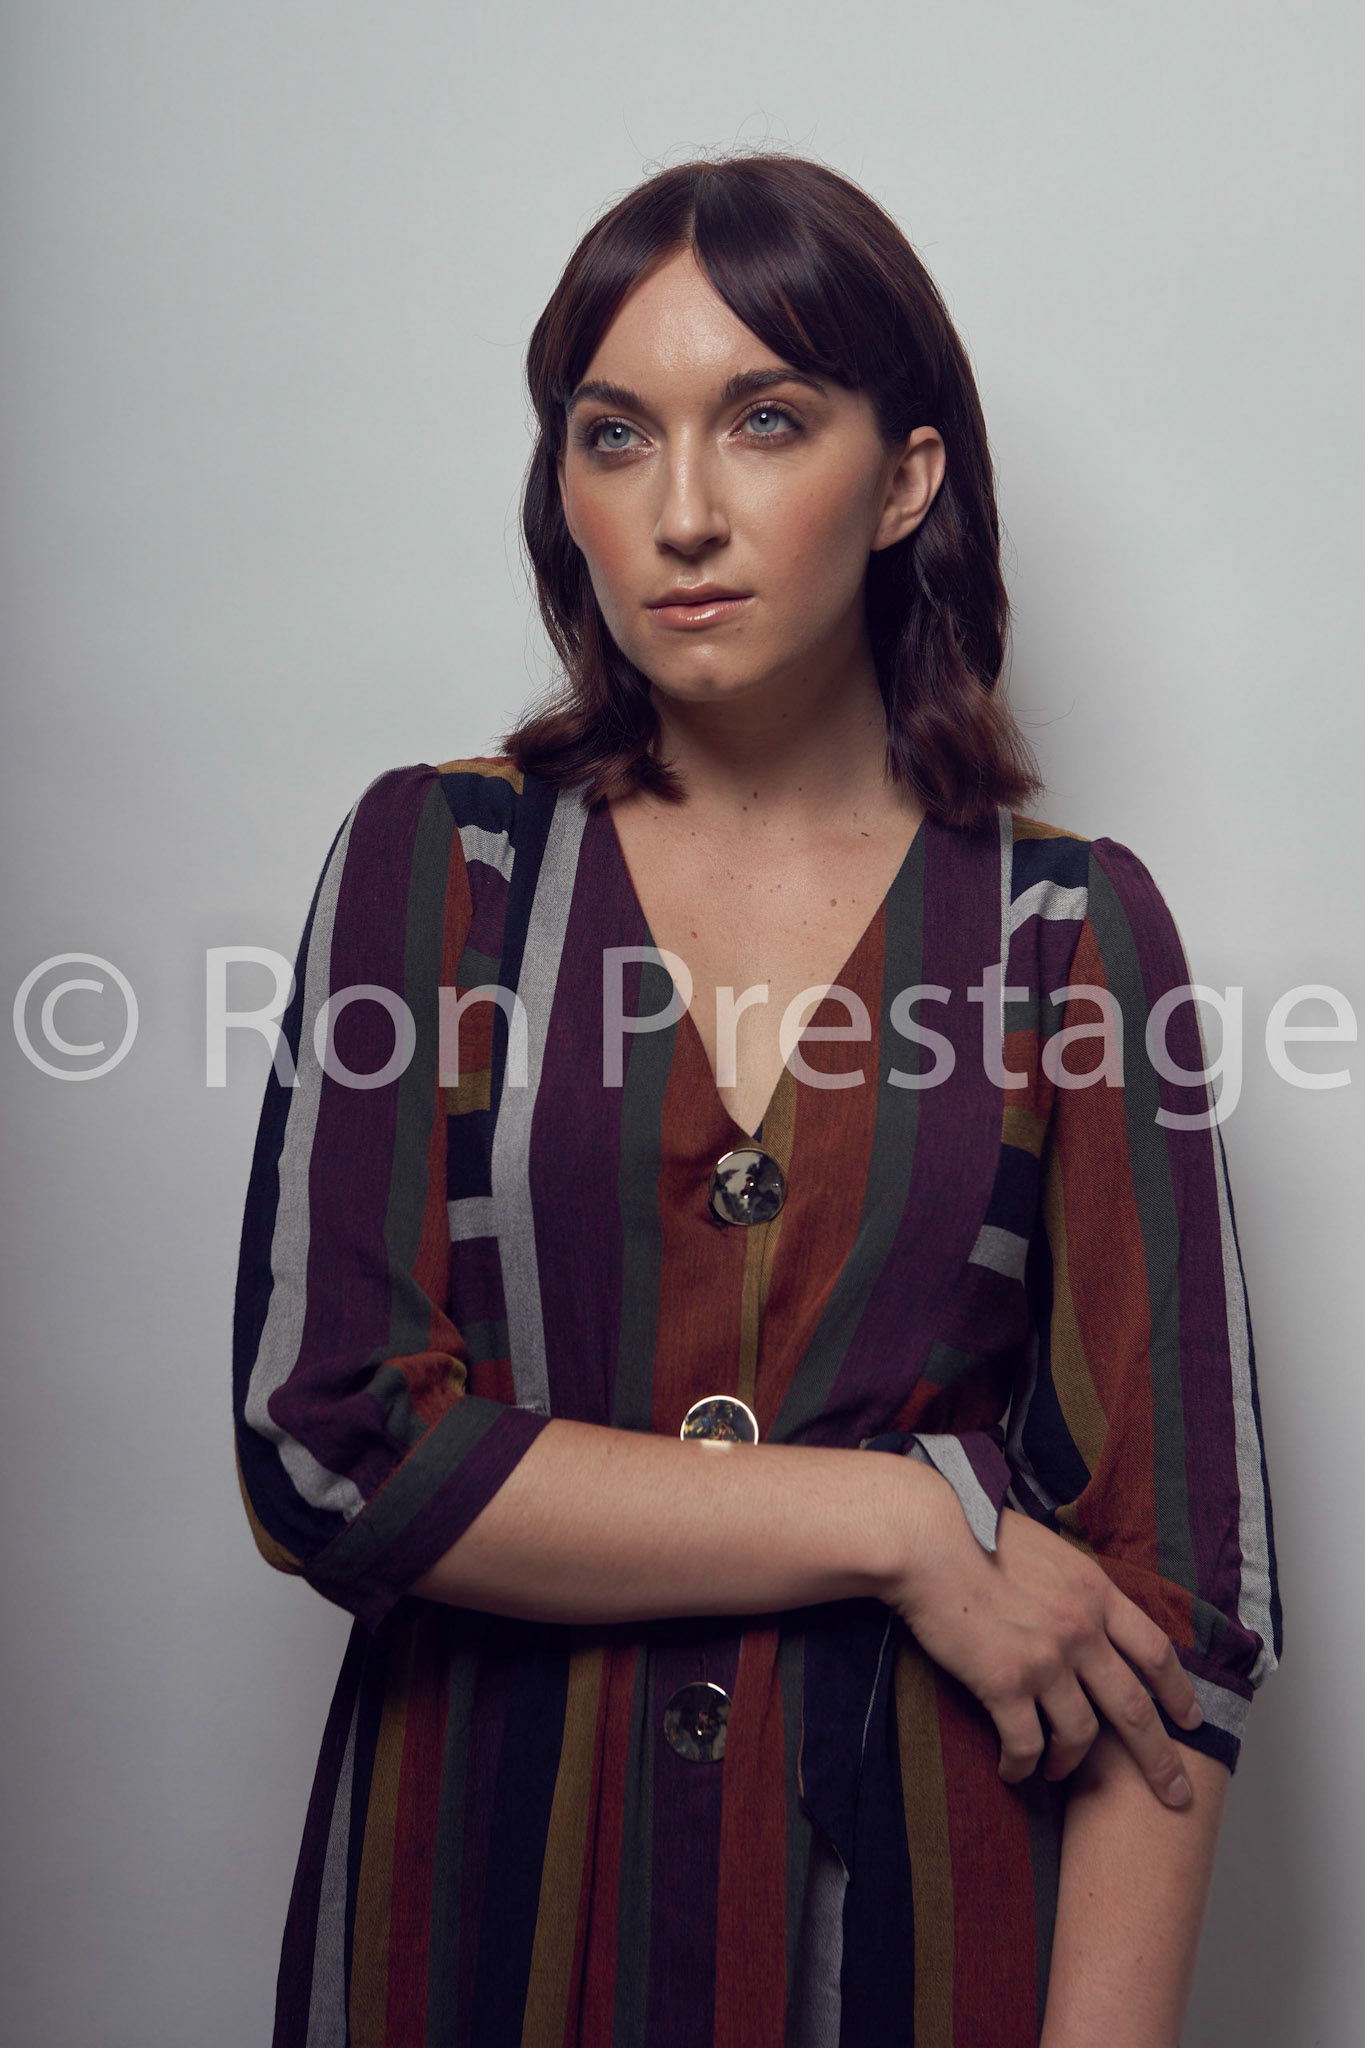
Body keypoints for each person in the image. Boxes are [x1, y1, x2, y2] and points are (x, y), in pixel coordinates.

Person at [232, 152, 1280, 2048]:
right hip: (475, 1931)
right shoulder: (439, 866)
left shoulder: (1067, 930)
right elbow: (333, 1449)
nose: (684, 512)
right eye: (614, 435)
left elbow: (1174, 1606)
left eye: (766, 420)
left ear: (904, 478)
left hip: (906, 1946)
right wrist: (899, 1520)